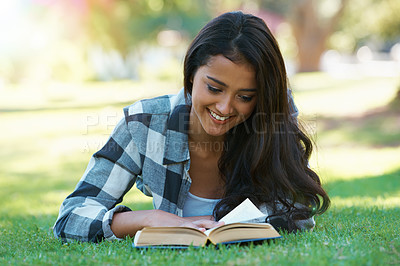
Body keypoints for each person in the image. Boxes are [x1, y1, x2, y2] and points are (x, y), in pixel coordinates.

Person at [53, 11, 330, 243]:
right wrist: (151, 219)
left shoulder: (270, 122)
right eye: (214, 88)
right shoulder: (144, 124)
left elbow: (298, 210)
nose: (224, 107)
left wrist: (230, 225)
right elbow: (71, 217)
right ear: (190, 74)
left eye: (244, 97)